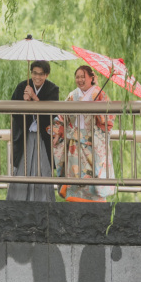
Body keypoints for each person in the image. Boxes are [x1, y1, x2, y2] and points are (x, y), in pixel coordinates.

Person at [52, 64, 115, 202]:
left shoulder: (100, 94)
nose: (80, 80)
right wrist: (57, 133)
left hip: (92, 141)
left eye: (83, 77)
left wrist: (98, 111)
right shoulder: (73, 95)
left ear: (91, 78)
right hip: (74, 140)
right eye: (77, 77)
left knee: (91, 174)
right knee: (75, 173)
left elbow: (109, 118)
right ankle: (74, 198)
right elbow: (62, 116)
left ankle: (94, 199)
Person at [7, 60, 59, 203]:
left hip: (43, 136)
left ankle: (44, 202)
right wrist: (24, 103)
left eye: (41, 74)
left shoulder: (53, 89)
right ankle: (17, 201)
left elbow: (52, 114)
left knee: (43, 168)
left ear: (46, 75)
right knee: (23, 167)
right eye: (34, 73)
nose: (37, 77)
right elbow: (12, 111)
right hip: (26, 134)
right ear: (31, 73)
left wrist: (35, 99)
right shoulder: (21, 87)